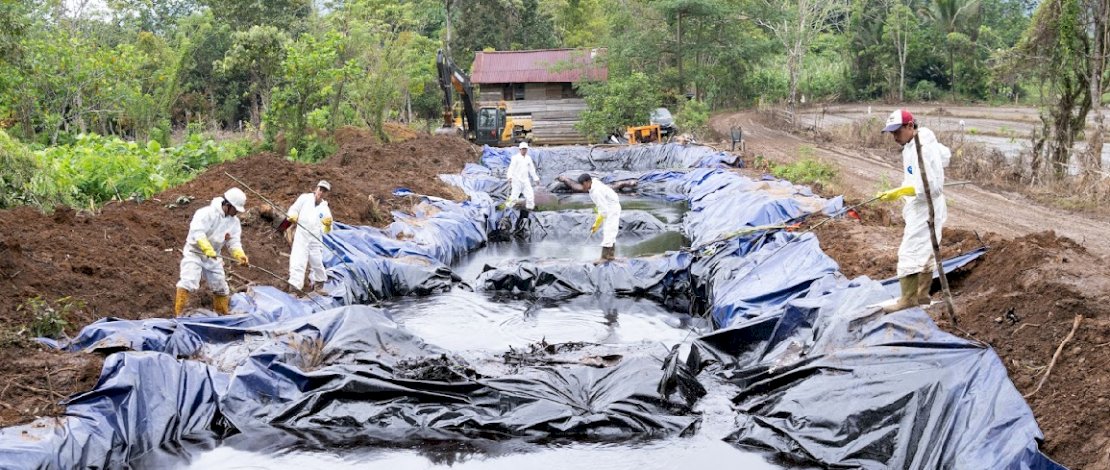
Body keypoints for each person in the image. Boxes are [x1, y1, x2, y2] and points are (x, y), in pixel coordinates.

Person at [875, 109, 951, 313]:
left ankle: (908, 299)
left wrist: (900, 191)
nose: (894, 137)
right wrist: (904, 190)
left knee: (909, 250)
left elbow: (932, 186)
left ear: (910, 127)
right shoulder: (913, 144)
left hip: (926, 207)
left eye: (897, 132)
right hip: (920, 206)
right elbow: (946, 156)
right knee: (926, 249)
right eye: (892, 133)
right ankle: (922, 296)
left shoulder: (923, 148)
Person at [175, 188, 250, 316]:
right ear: (227, 205)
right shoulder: (206, 213)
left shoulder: (234, 222)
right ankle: (179, 315)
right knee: (189, 281)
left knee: (221, 286)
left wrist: (239, 255)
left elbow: (233, 242)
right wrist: (206, 247)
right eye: (235, 210)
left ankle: (222, 314)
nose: (236, 213)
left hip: (213, 256)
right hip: (195, 253)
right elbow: (197, 232)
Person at [286, 180, 334, 293]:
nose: (321, 192)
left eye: (324, 191)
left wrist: (327, 226)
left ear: (326, 194)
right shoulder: (304, 198)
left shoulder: (325, 209)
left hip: (315, 239)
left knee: (317, 262)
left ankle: (319, 286)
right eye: (320, 189)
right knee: (298, 261)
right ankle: (294, 288)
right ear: (316, 189)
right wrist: (293, 216)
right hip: (301, 236)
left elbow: (328, 230)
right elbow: (294, 209)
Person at [578, 173, 621, 263]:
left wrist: (597, 223)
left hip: (612, 208)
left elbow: (604, 210)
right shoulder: (593, 185)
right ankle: (610, 255)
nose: (582, 187)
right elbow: (601, 206)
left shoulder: (596, 191)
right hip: (608, 206)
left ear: (588, 181)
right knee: (609, 231)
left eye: (583, 184)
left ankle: (605, 257)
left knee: (609, 231)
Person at [506, 141, 539, 212]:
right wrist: (510, 177)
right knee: (514, 197)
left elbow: (531, 169)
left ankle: (530, 210)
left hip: (525, 180)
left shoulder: (528, 158)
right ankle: (507, 208)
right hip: (516, 180)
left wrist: (536, 178)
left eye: (525, 149)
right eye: (523, 149)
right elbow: (511, 168)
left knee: (530, 196)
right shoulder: (515, 158)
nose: (524, 150)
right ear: (520, 149)